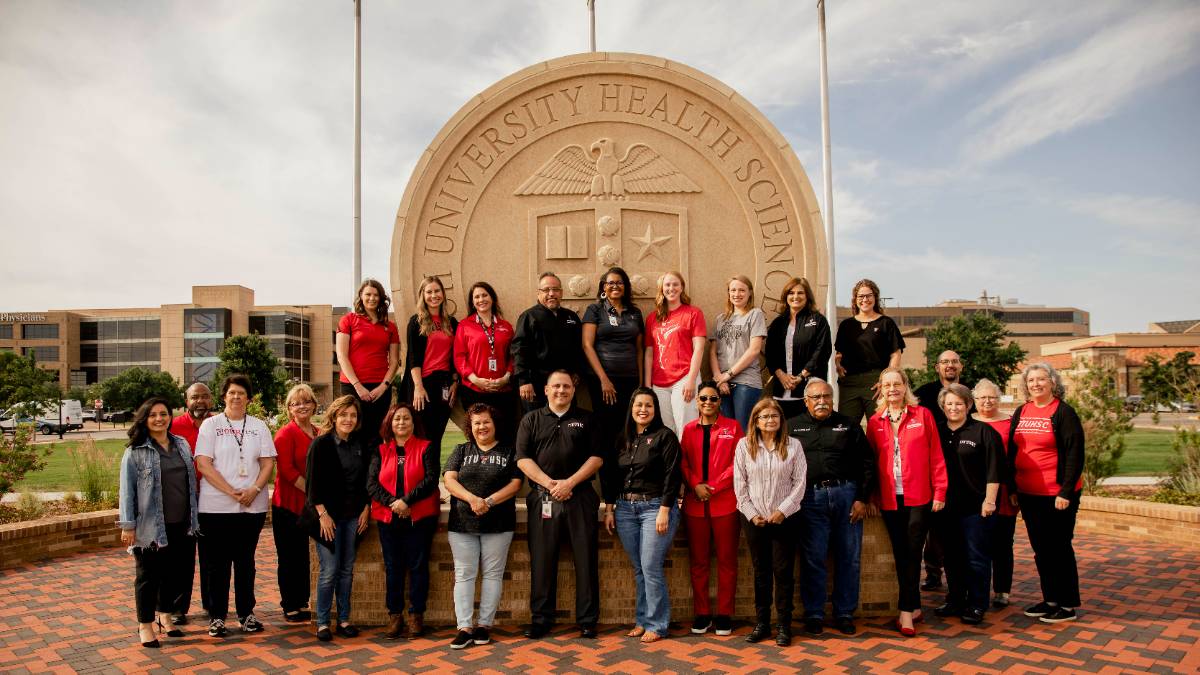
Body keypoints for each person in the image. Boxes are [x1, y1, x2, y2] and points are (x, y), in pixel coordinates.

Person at [516, 370, 604, 639]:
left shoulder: (586, 419)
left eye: (566, 386)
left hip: (580, 497)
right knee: (542, 560)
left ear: (573, 390)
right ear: (546, 390)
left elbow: (597, 457)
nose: (561, 391)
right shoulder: (531, 419)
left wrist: (570, 483)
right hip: (543, 497)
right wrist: (551, 484)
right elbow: (522, 459)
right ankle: (541, 619)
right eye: (556, 386)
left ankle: (588, 620)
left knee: (586, 558)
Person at [787, 378, 874, 636]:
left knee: (849, 557)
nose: (822, 401)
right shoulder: (792, 427)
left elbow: (867, 463)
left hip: (846, 496)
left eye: (826, 397)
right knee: (814, 557)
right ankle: (814, 613)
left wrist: (862, 498)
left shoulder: (848, 425)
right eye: (816, 397)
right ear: (806, 401)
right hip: (810, 499)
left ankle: (844, 612)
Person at [194, 374, 277, 638]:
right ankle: (217, 616)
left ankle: (246, 614)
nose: (237, 397)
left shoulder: (258, 426)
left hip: (251, 506)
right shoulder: (211, 426)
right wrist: (231, 491)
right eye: (232, 393)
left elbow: (267, 463)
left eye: (242, 393)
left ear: (249, 398)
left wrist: (253, 489)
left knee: (245, 562)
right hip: (215, 507)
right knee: (217, 564)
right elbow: (203, 464)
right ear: (224, 396)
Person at [866, 367, 946, 637]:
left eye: (896, 384)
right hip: (890, 498)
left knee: (913, 552)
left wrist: (940, 492)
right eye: (887, 385)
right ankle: (914, 606)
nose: (892, 390)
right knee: (902, 555)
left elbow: (936, 455)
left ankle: (905, 612)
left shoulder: (922, 415)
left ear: (905, 386)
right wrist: (874, 496)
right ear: (881, 389)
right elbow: (872, 464)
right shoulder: (876, 421)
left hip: (919, 497)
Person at [118, 397, 200, 648]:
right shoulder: (136, 451)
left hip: (182, 523)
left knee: (173, 575)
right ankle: (145, 625)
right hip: (150, 527)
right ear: (145, 419)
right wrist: (128, 525)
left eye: (163, 414)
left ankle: (165, 615)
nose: (159, 419)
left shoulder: (182, 444)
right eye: (153, 415)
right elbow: (126, 491)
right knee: (147, 577)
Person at [602, 388, 683, 643]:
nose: (643, 410)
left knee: (650, 567)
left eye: (648, 405)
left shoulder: (665, 437)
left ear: (655, 409)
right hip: (625, 509)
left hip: (655, 508)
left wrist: (665, 510)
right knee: (639, 568)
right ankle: (642, 619)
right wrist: (609, 507)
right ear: (632, 408)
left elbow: (673, 475)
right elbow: (612, 476)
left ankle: (657, 624)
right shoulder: (622, 439)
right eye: (639, 405)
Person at [1008, 363, 1085, 624]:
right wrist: (1014, 487)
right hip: (1029, 493)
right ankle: (1050, 599)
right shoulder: (1022, 411)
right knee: (1041, 549)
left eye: (1042, 379)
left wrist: (1065, 491)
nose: (1036, 384)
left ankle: (1067, 604)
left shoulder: (1064, 412)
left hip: (1057, 495)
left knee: (1059, 548)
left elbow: (1075, 453)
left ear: (1053, 382)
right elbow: (1013, 450)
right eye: (1031, 380)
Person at [442, 403, 523, 649]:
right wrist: (473, 500)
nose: (482, 427)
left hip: (498, 523)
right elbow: (449, 480)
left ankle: (484, 626)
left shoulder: (509, 452)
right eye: (477, 423)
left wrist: (488, 501)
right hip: (462, 523)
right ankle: (464, 627)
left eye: (486, 422)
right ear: (470, 426)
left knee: (492, 575)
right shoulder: (461, 450)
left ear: (494, 423)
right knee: (465, 575)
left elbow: (516, 484)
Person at [734, 398, 807, 647]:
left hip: (784, 519)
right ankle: (762, 624)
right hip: (753, 519)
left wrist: (782, 511)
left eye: (774, 416)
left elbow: (800, 484)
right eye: (764, 416)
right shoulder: (744, 446)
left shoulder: (793, 446)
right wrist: (752, 513)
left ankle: (784, 626)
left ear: (781, 420)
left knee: (783, 572)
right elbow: (739, 485)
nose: (769, 420)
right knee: (761, 571)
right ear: (755, 420)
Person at [367, 403, 441, 639]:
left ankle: (416, 615)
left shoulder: (426, 447)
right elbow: (371, 484)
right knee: (393, 567)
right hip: (389, 518)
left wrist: (407, 502)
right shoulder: (380, 450)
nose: (401, 423)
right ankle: (394, 616)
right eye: (397, 419)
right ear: (390, 422)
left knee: (418, 566)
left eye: (406, 419)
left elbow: (430, 480)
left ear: (413, 423)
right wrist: (394, 503)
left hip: (419, 517)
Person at [932, 384, 1002, 625]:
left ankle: (977, 604)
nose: (954, 408)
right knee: (951, 557)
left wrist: (990, 500)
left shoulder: (982, 432)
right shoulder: (937, 432)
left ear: (968, 405)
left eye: (958, 403)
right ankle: (955, 599)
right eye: (949, 404)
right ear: (943, 406)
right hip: (946, 507)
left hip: (976, 507)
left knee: (976, 558)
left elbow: (995, 470)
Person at [679, 381, 744, 637]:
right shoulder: (688, 429)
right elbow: (683, 462)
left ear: (720, 402)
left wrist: (713, 487)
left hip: (725, 504)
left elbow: (737, 463)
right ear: (697, 401)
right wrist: (695, 484)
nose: (708, 403)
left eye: (713, 399)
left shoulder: (733, 427)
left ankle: (725, 614)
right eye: (703, 399)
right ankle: (703, 613)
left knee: (727, 562)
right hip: (695, 506)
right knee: (699, 563)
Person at [305, 395, 371, 641]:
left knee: (346, 570)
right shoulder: (320, 445)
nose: (348, 419)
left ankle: (344, 620)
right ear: (334, 416)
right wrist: (322, 514)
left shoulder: (360, 444)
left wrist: (367, 507)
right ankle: (323, 622)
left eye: (352, 415)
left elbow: (367, 480)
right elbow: (312, 485)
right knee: (330, 570)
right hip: (328, 518)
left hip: (353, 516)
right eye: (343, 415)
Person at [913, 350, 969, 591]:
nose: (950, 366)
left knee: (958, 527)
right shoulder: (924, 393)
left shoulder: (971, 392)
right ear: (937, 367)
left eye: (954, 362)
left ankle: (961, 576)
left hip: (965, 469)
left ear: (961, 366)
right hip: (932, 467)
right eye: (945, 362)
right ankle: (934, 571)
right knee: (934, 527)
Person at [583, 266, 644, 467]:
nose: (615, 286)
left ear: (625, 287)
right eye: (610, 283)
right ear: (603, 287)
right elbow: (587, 345)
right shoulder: (595, 310)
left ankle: (627, 484)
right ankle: (609, 492)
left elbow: (640, 350)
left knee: (628, 431)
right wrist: (603, 379)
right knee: (606, 433)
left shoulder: (635, 312)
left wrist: (642, 384)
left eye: (619, 282)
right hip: (603, 382)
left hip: (630, 380)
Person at [271, 384, 318, 624]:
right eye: (296, 403)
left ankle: (302, 601)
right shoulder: (285, 434)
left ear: (314, 405)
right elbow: (287, 471)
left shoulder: (319, 433)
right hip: (288, 505)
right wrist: (313, 493)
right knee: (289, 557)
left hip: (310, 507)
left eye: (306, 401)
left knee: (305, 556)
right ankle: (290, 604)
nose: (302, 406)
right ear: (289, 409)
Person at [336, 279, 401, 449]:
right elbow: (342, 356)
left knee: (375, 437)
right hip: (352, 386)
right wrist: (358, 386)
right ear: (361, 297)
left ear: (381, 298)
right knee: (352, 434)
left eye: (376, 295)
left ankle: (373, 475)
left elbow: (394, 362)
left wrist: (383, 387)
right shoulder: (348, 321)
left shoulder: (390, 327)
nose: (372, 298)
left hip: (380, 389)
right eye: (368, 294)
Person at [168, 382, 213, 624]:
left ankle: (211, 604)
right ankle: (178, 608)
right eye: (195, 397)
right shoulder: (174, 427)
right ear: (187, 401)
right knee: (181, 558)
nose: (200, 402)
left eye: (205, 397)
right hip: (183, 502)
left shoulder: (218, 424)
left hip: (212, 500)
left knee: (211, 557)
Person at [972, 378, 1019, 609]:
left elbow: (1015, 459)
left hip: (1004, 491)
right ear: (974, 400)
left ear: (998, 399)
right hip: (974, 491)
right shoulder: (966, 421)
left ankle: (1002, 590)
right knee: (976, 543)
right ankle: (975, 589)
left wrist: (1014, 488)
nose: (987, 401)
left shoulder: (1010, 424)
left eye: (991, 397)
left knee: (1002, 542)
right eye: (982, 397)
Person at [512, 272, 585, 415]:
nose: (551, 293)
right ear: (539, 293)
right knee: (538, 426)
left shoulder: (571, 317)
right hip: (536, 385)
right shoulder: (529, 316)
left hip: (564, 386)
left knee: (566, 423)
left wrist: (577, 371)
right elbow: (519, 349)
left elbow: (578, 348)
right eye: (546, 290)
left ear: (561, 293)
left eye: (556, 289)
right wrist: (524, 381)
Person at [835, 279, 905, 426]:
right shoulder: (846, 325)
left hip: (875, 382)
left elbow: (895, 354)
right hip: (849, 383)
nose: (865, 299)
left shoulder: (886, 323)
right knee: (845, 429)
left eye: (868, 295)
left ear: (875, 298)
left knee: (880, 428)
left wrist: (885, 381)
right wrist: (837, 364)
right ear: (855, 299)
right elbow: (839, 353)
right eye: (861, 296)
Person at [454, 281, 518, 444]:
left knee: (505, 434)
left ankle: (506, 469)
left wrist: (506, 377)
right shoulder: (464, 325)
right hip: (474, 390)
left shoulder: (506, 326)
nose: (481, 299)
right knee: (480, 436)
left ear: (492, 299)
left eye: (484, 295)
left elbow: (513, 356)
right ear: (472, 302)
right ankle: (480, 469)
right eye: (477, 297)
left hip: (503, 390)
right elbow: (459, 356)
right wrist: (475, 379)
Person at [644, 271, 707, 435]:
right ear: (661, 289)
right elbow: (649, 353)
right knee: (665, 430)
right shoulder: (652, 318)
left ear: (682, 288)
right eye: (667, 285)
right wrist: (647, 385)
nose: (671, 288)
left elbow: (699, 348)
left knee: (686, 428)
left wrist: (692, 380)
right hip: (659, 382)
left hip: (684, 377)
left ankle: (688, 461)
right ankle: (671, 461)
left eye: (675, 284)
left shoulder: (693, 313)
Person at [402, 275, 460, 453]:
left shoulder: (451, 323)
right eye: (429, 292)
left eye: (437, 291)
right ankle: (418, 480)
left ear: (443, 293)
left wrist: (455, 382)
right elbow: (413, 357)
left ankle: (431, 481)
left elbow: (456, 357)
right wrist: (418, 387)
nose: (433, 295)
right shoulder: (416, 321)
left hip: (443, 384)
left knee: (436, 438)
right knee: (421, 438)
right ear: (422, 295)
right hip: (422, 384)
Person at [766, 277, 831, 422]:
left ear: (807, 296)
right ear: (786, 296)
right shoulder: (778, 323)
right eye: (791, 293)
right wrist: (781, 375)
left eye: (800, 293)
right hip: (781, 390)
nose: (795, 297)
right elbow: (770, 353)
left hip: (808, 387)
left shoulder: (818, 320)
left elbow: (822, 351)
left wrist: (801, 376)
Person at [708, 275, 767, 431]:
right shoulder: (720, 319)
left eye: (742, 290)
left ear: (749, 293)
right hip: (722, 384)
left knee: (743, 432)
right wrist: (719, 378)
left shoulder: (755, 314)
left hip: (746, 383)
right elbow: (713, 352)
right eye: (733, 290)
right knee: (726, 433)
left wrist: (728, 374)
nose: (737, 294)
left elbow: (754, 350)